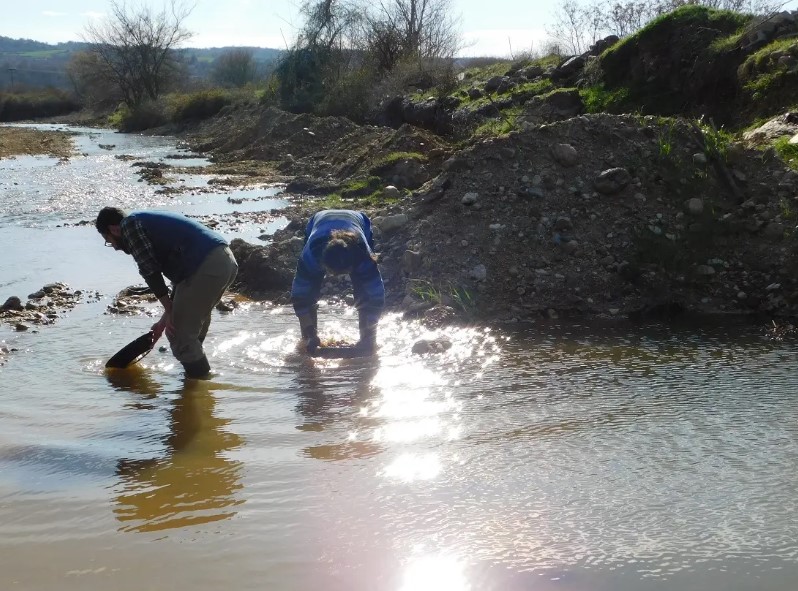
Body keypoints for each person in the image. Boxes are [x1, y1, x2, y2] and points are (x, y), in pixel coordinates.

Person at [96, 207, 238, 378]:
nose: (114, 248)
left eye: (109, 241)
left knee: (180, 336)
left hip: (205, 267)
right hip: (224, 262)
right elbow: (181, 286)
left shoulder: (129, 226)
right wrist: (163, 320)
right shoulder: (144, 221)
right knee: (189, 331)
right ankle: (195, 376)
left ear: (113, 229)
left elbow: (149, 269)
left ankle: (196, 393)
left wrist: (170, 311)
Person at [291, 209, 384, 355]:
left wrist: (370, 335)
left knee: (364, 292)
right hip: (318, 221)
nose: (337, 276)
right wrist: (310, 332)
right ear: (323, 263)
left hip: (359, 221)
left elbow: (376, 297)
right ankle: (309, 339)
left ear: (352, 264)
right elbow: (300, 297)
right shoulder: (311, 256)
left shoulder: (363, 256)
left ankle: (366, 338)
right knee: (309, 292)